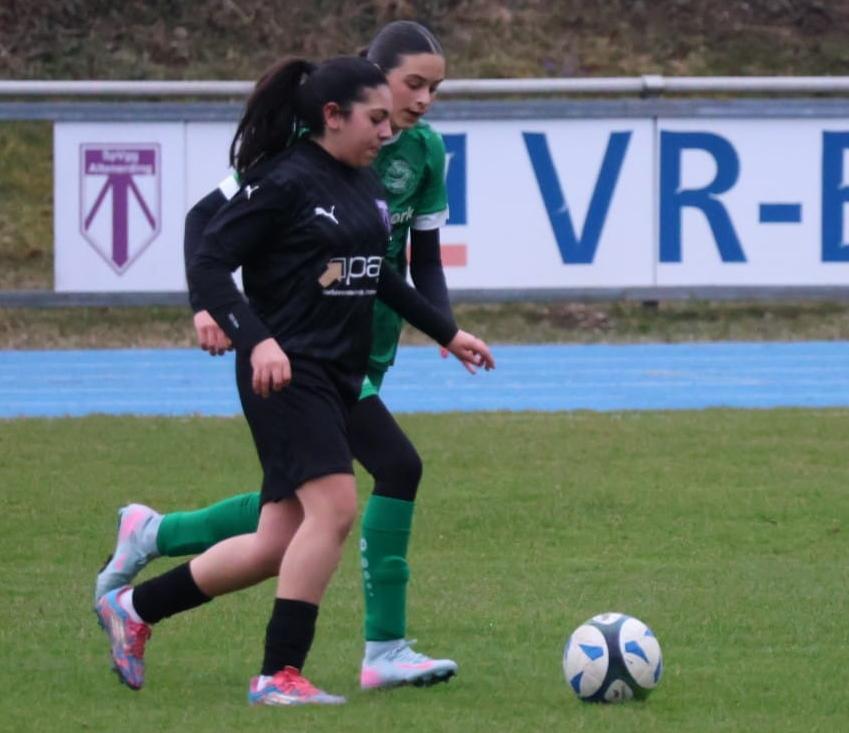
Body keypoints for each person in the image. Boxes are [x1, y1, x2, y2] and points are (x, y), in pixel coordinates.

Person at [94, 54, 494, 706]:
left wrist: (446, 332)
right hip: (287, 374)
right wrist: (257, 340)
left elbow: (378, 274)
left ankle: (135, 608)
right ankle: (278, 674)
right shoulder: (284, 179)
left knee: (276, 543)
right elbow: (211, 259)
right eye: (375, 119)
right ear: (332, 116)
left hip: (339, 375)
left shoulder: (364, 184)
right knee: (334, 509)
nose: (386, 132)